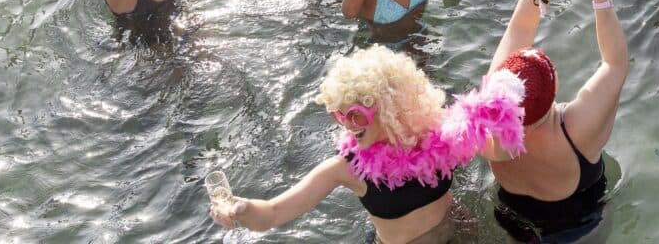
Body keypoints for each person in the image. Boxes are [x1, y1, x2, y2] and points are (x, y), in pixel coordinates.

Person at [210, 46, 527, 241]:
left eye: (357, 115)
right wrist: (242, 208)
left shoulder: (437, 134)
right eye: (338, 115)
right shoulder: (344, 170)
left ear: (389, 108)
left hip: (459, 232)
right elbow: (275, 213)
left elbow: (500, 146)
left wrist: (505, 104)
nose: (348, 124)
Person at [483, 0, 627, 240]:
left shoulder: (485, 123)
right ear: (555, 86)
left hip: (514, 219)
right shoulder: (578, 129)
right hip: (577, 227)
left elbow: (519, 26)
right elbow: (616, 63)